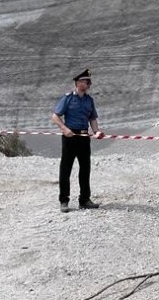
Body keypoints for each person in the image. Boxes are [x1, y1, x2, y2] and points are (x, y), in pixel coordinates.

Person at [50, 69, 103, 213]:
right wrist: (64, 128)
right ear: (78, 82)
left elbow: (92, 118)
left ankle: (84, 199)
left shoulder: (89, 100)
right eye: (86, 82)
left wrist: (96, 131)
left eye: (88, 82)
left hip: (84, 137)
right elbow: (55, 116)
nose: (88, 84)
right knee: (65, 169)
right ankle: (64, 201)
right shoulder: (67, 98)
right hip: (70, 136)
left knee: (85, 168)